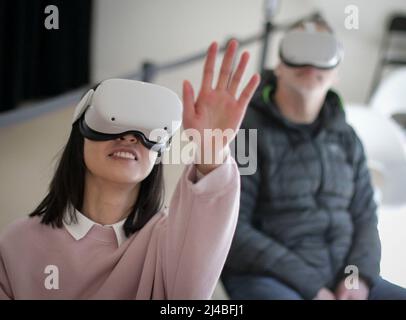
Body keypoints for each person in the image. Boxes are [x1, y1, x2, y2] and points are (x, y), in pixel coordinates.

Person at [0, 40, 260, 299]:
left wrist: (210, 148)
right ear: (81, 133)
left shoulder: (170, 244)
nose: (130, 137)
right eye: (112, 122)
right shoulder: (17, 244)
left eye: (146, 130)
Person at [221, 17, 406, 300]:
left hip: (345, 278)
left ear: (335, 73)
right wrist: (312, 287)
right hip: (269, 278)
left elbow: (365, 217)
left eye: (322, 52)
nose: (310, 62)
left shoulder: (347, 138)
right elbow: (234, 228)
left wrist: (356, 280)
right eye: (299, 48)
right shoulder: (245, 133)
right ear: (280, 66)